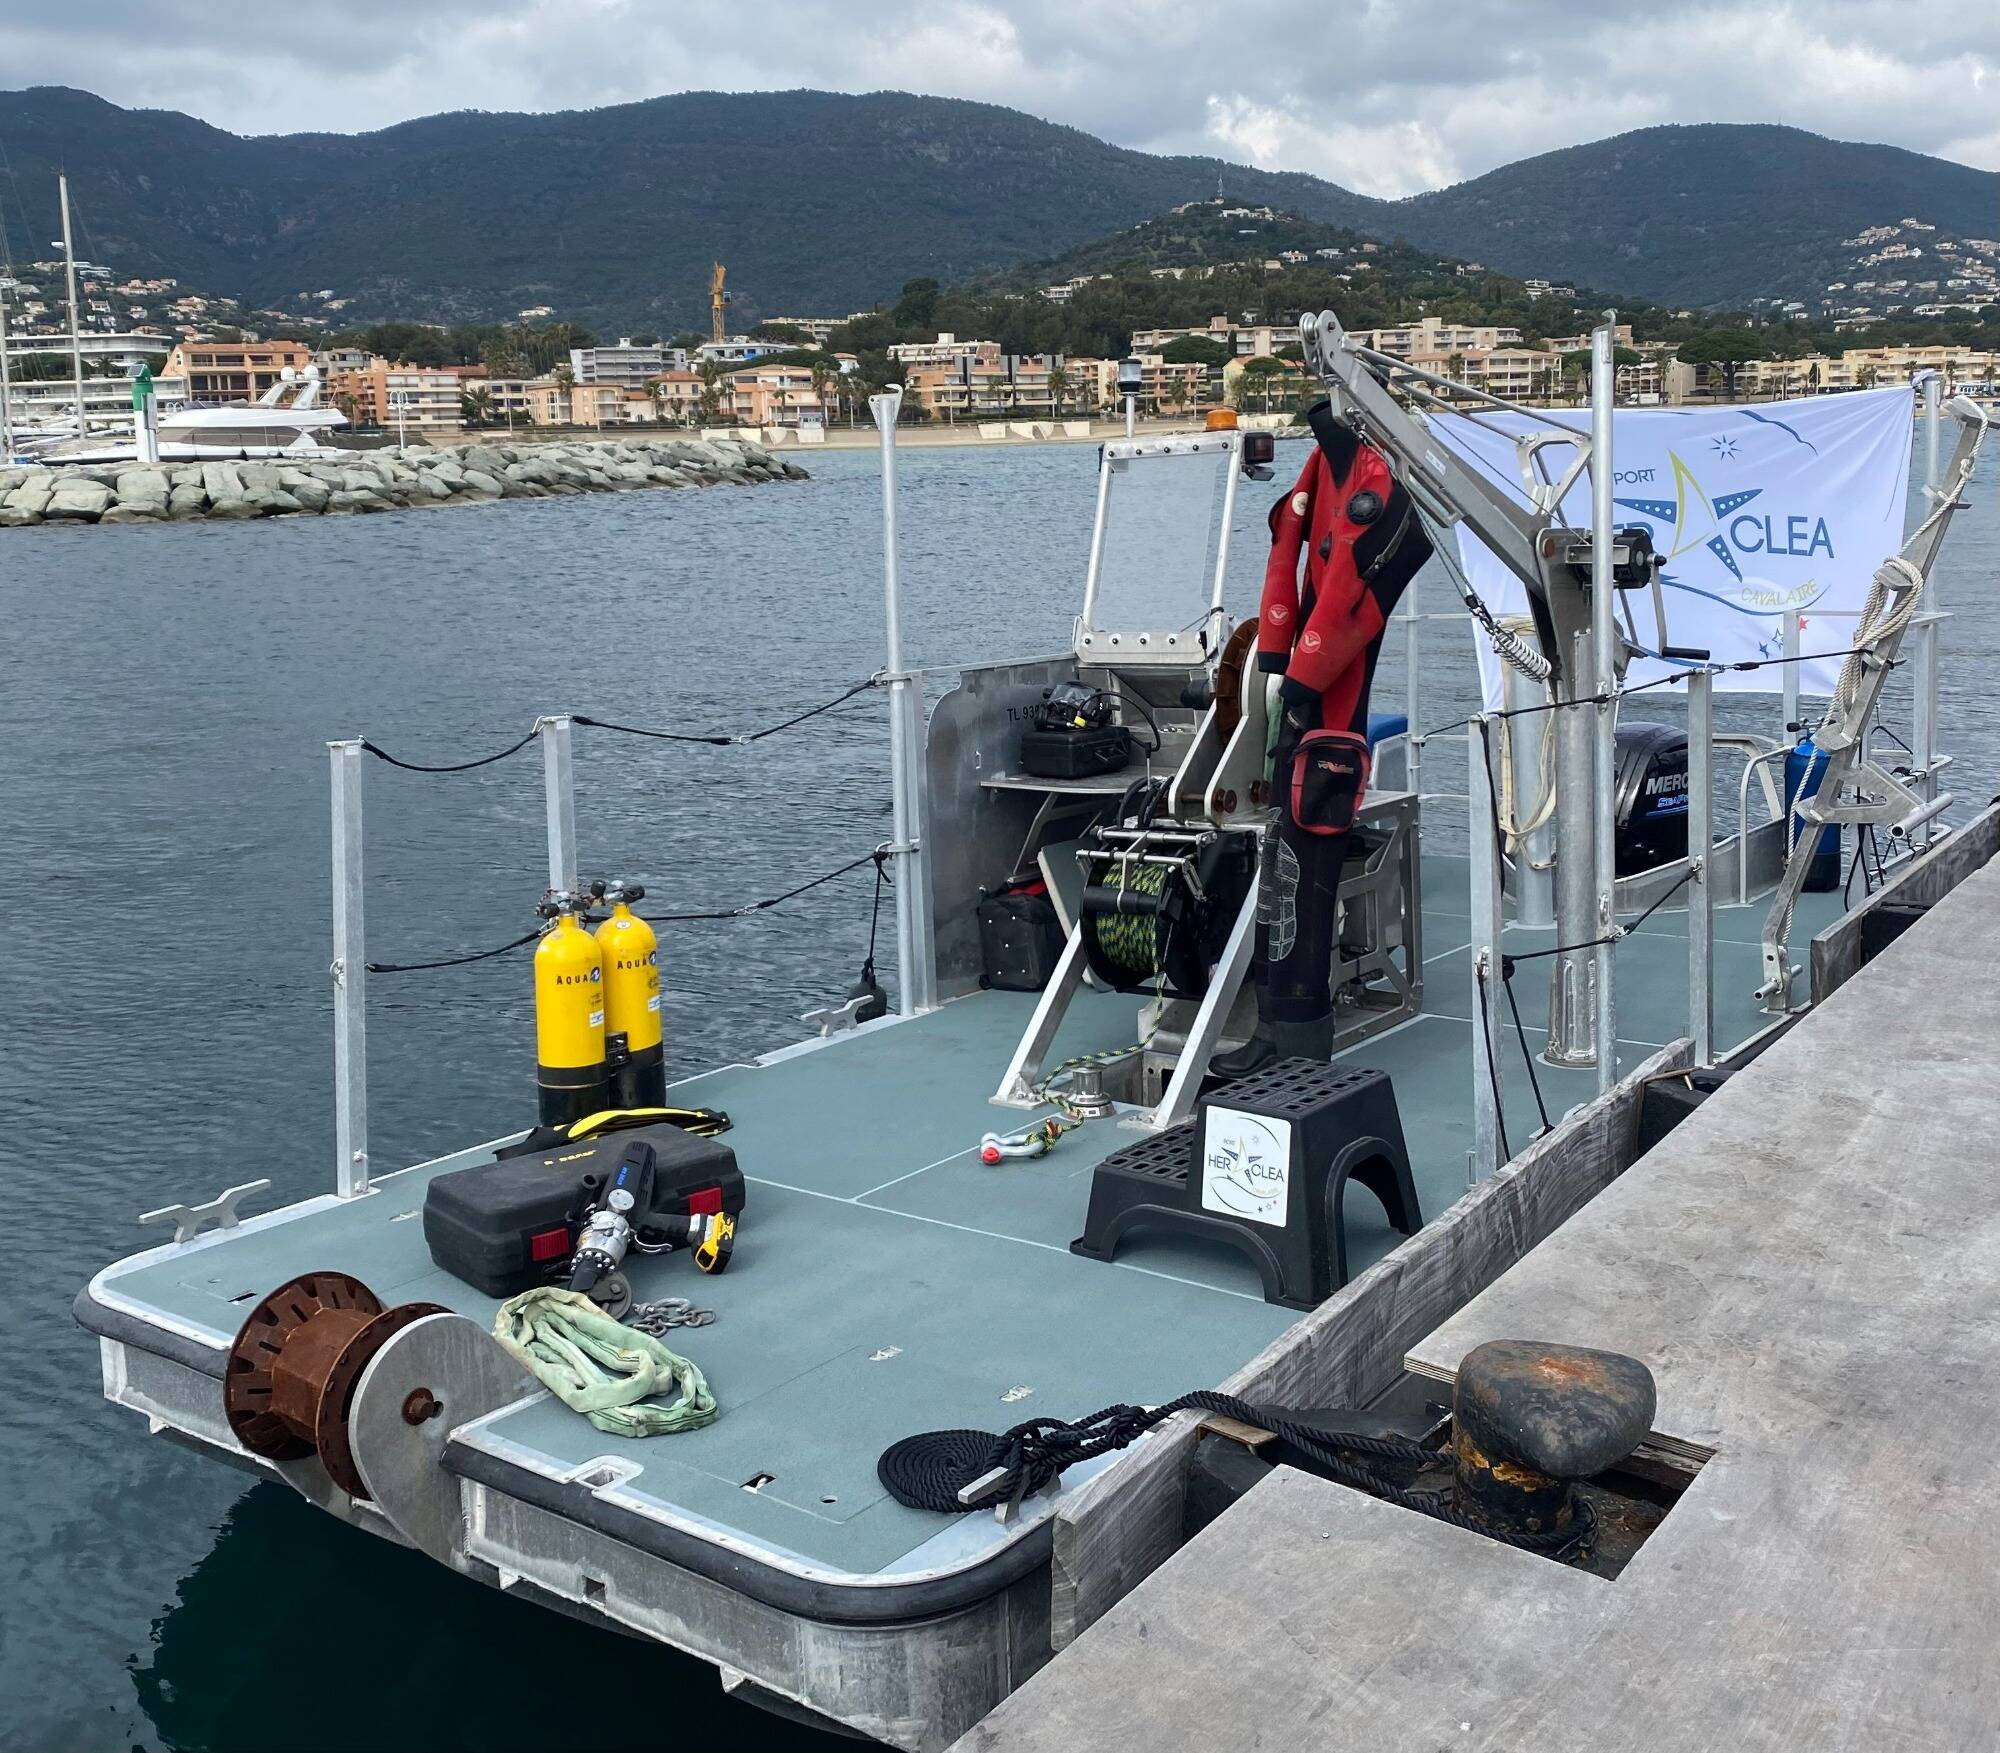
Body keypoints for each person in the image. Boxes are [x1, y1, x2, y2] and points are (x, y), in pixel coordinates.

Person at [1213, 398, 1433, 1074]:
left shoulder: (1379, 486)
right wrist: (1281, 667)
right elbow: (1299, 559)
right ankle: (1276, 1024)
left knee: (1308, 866)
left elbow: (1353, 599)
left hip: (1332, 711)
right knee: (1280, 864)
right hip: (1300, 697)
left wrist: (1300, 676)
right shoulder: (1321, 470)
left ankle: (1304, 1034)